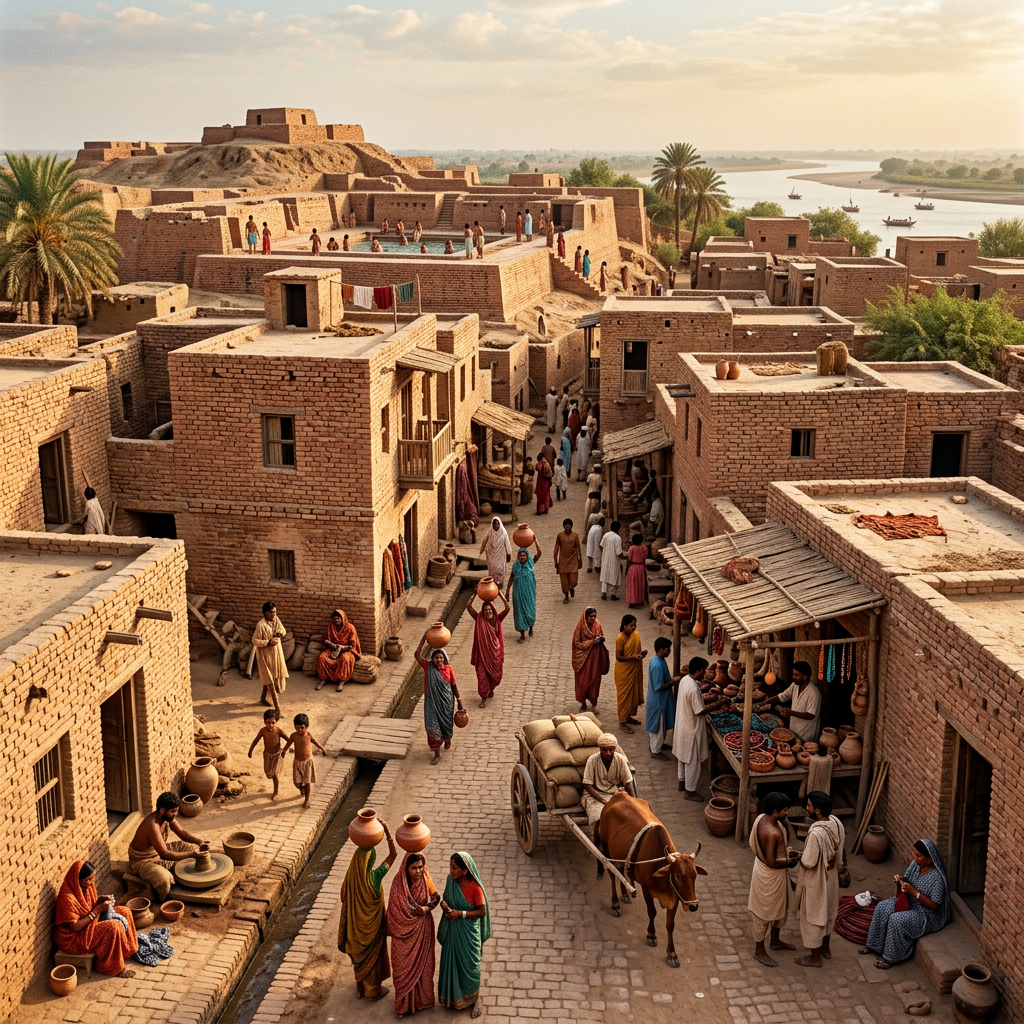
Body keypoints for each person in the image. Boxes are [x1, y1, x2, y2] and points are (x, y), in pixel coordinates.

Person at [861, 839, 950, 970]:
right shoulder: (916, 865)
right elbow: (907, 879)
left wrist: (915, 893)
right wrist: (900, 880)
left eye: (919, 856)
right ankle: (874, 944)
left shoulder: (937, 878)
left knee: (896, 920)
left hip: (925, 913)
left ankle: (890, 957)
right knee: (882, 907)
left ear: (930, 859)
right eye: (914, 854)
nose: (915, 858)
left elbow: (935, 905)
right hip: (909, 901)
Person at [339, 817, 397, 1000]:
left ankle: (360, 989)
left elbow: (343, 898)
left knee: (359, 959)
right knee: (373, 958)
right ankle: (373, 991)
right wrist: (387, 832)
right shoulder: (375, 877)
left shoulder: (350, 880)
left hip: (355, 932)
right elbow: (393, 856)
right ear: (370, 862)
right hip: (373, 930)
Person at [55, 861, 138, 978]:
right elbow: (75, 926)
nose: (91, 882)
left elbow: (88, 905)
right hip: (75, 938)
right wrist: (97, 910)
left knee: (125, 911)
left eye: (93, 878)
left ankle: (127, 951)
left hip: (88, 922)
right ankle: (114, 967)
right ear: (76, 880)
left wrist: (100, 900)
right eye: (88, 879)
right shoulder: (67, 899)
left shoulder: (86, 887)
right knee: (114, 927)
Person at [795, 791, 845, 967]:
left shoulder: (816, 834)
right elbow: (839, 853)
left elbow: (808, 862)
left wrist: (798, 857)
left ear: (817, 810)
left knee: (814, 915)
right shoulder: (837, 823)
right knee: (829, 911)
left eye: (808, 805)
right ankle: (825, 949)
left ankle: (814, 958)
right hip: (831, 878)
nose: (806, 808)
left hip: (817, 880)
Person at [749, 792, 799, 967]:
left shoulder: (761, 818)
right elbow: (771, 861)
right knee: (764, 913)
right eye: (785, 811)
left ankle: (775, 941)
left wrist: (787, 854)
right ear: (775, 811)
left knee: (780, 908)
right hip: (769, 876)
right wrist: (790, 862)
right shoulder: (772, 831)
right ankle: (759, 950)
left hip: (770, 872)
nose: (787, 813)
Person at [387, 852, 440, 1016]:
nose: (418, 871)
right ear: (405, 868)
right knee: (401, 969)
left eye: (420, 867)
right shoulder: (398, 884)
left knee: (424, 967)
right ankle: (403, 1005)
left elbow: (436, 897)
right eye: (414, 868)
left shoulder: (425, 879)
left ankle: (422, 1001)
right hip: (402, 935)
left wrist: (427, 908)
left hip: (422, 930)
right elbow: (393, 911)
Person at [438, 852, 490, 1018]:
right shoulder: (450, 880)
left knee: (470, 966)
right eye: (450, 866)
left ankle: (474, 998)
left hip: (468, 934)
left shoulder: (476, 888)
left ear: (465, 871)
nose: (450, 871)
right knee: (452, 963)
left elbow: (482, 912)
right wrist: (445, 905)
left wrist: (461, 914)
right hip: (453, 930)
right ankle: (454, 997)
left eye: (454, 868)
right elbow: (447, 900)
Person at [128, 792, 206, 901]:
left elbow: (182, 832)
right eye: (173, 811)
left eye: (177, 810)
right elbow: (164, 854)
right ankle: (161, 900)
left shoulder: (167, 817)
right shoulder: (152, 825)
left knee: (189, 848)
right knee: (164, 879)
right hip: (143, 861)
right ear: (162, 810)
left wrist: (199, 842)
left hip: (158, 851)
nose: (175, 814)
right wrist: (193, 855)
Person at [673, 656, 719, 801]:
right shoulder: (693, 687)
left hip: (682, 726)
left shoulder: (685, 680)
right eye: (703, 671)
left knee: (682, 757)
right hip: (691, 729)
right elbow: (699, 710)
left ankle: (682, 782)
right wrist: (717, 704)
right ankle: (690, 791)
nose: (705, 673)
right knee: (692, 761)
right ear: (698, 671)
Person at [416, 635, 464, 764]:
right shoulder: (428, 666)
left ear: (444, 658)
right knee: (432, 726)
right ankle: (437, 753)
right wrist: (423, 640)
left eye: (440, 657)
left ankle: (447, 738)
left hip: (446, 702)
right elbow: (416, 655)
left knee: (446, 724)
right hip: (431, 702)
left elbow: (453, 685)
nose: (438, 659)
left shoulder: (449, 669)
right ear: (432, 659)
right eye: (436, 657)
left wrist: (459, 700)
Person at [581, 733, 635, 830]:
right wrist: (604, 801)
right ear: (600, 749)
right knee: (599, 816)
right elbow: (587, 785)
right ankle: (597, 840)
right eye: (604, 750)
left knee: (626, 815)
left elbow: (628, 783)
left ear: (615, 749)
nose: (608, 753)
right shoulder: (592, 760)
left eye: (611, 749)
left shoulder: (621, 760)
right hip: (595, 796)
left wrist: (633, 802)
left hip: (616, 794)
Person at [468, 591, 509, 706]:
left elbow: (507, 608)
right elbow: (468, 606)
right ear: (483, 611)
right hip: (482, 654)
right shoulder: (479, 619)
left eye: (490, 609)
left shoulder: (497, 620)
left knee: (495, 675)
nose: (488, 612)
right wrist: (475, 593)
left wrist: (500, 594)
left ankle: (490, 689)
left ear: (493, 610)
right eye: (486, 610)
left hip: (495, 654)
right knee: (482, 677)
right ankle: (483, 698)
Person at [766, 661, 821, 743]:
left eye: (796, 675)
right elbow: (783, 696)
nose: (793, 677)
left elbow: (810, 715)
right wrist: (766, 701)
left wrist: (790, 712)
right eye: (793, 674)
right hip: (793, 730)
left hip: (806, 735)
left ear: (805, 677)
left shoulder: (814, 693)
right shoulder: (795, 685)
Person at [281, 712, 327, 809]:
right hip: (297, 762)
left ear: (306, 727)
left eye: (302, 728)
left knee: (307, 782)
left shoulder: (309, 735)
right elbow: (288, 743)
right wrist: (284, 751)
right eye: (297, 727)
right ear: (294, 726)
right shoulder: (293, 736)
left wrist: (322, 749)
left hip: (308, 762)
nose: (299, 730)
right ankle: (301, 789)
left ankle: (307, 799)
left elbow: (316, 742)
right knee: (296, 782)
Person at [253, 600, 288, 711]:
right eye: (271, 612)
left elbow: (283, 630)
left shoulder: (276, 620)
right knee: (270, 681)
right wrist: (268, 642)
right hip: (266, 656)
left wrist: (279, 634)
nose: (274, 614)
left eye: (275, 612)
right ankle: (277, 709)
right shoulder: (260, 625)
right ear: (265, 613)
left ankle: (263, 699)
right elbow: (255, 640)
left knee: (276, 676)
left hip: (277, 654)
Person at [315, 609, 361, 692]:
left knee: (345, 659)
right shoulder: (331, 626)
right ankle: (323, 678)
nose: (336, 621)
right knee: (322, 657)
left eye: (338, 619)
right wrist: (333, 645)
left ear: (343, 619)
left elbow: (353, 645)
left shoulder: (350, 628)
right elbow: (327, 639)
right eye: (335, 619)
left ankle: (342, 681)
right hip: (333, 649)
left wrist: (342, 647)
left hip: (347, 650)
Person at [614, 614, 646, 733]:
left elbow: (635, 652)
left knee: (632, 694)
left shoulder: (636, 635)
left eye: (635, 625)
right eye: (631, 625)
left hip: (633, 668)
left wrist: (641, 654)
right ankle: (622, 721)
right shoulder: (620, 638)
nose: (634, 628)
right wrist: (634, 657)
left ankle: (628, 716)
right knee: (623, 696)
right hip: (623, 671)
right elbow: (619, 657)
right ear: (624, 626)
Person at [572, 606, 608, 711]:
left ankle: (594, 703)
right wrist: (591, 642)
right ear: (585, 617)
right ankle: (583, 702)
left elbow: (602, 636)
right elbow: (576, 643)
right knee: (582, 681)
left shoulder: (597, 624)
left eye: (594, 616)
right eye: (591, 616)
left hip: (595, 658)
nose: (593, 619)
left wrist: (600, 639)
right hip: (583, 660)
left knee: (595, 682)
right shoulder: (580, 627)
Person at [645, 637, 676, 759]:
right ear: (661, 649)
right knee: (658, 726)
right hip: (659, 702)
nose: (669, 651)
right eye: (668, 649)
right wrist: (673, 682)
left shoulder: (658, 659)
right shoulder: (657, 664)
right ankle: (656, 751)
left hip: (661, 700)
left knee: (661, 726)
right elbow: (658, 687)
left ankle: (657, 745)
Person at [505, 543, 541, 642]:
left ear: (527, 556)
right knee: (519, 612)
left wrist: (535, 540)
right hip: (518, 593)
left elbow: (539, 553)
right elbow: (511, 578)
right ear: (518, 556)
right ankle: (522, 634)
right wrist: (507, 591)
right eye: (520, 555)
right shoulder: (515, 566)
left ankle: (530, 626)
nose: (522, 557)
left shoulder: (531, 563)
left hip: (529, 593)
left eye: (524, 555)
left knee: (530, 611)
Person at [248, 708, 285, 800]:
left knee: (275, 774)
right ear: (265, 722)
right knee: (269, 774)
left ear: (276, 722)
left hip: (277, 755)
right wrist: (250, 750)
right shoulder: (263, 731)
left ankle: (275, 791)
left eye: (273, 722)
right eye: (268, 722)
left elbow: (289, 740)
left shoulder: (279, 731)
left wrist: (285, 750)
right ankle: (274, 781)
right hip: (267, 755)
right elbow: (256, 740)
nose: (271, 725)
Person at [553, 517, 582, 603]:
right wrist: (556, 560)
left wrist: (580, 560)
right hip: (563, 561)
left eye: (569, 525)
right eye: (566, 525)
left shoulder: (575, 536)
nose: (567, 527)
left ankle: (571, 587)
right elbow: (556, 548)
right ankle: (566, 595)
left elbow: (578, 548)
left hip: (573, 560)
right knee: (564, 580)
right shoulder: (560, 536)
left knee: (574, 580)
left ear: (571, 526)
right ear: (563, 526)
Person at [479, 515, 513, 588]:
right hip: (491, 553)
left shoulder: (503, 532)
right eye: (494, 524)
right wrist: (482, 550)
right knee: (492, 568)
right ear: (492, 524)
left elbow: (507, 543)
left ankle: (500, 582)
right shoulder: (490, 532)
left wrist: (509, 553)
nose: (496, 525)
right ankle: (493, 582)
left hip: (501, 554)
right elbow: (485, 540)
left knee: (500, 568)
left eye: (497, 523)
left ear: (500, 524)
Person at [599, 520, 623, 600]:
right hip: (614, 561)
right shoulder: (618, 538)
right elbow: (619, 552)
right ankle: (613, 594)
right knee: (614, 576)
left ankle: (604, 593)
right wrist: (623, 556)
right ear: (618, 528)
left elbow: (601, 546)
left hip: (605, 559)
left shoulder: (606, 535)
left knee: (604, 577)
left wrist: (606, 552)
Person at [626, 533, 648, 607]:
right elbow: (645, 557)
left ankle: (632, 601)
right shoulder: (644, 548)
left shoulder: (632, 548)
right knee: (641, 585)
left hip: (633, 567)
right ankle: (640, 601)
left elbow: (629, 559)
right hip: (641, 568)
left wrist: (627, 568)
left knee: (632, 585)